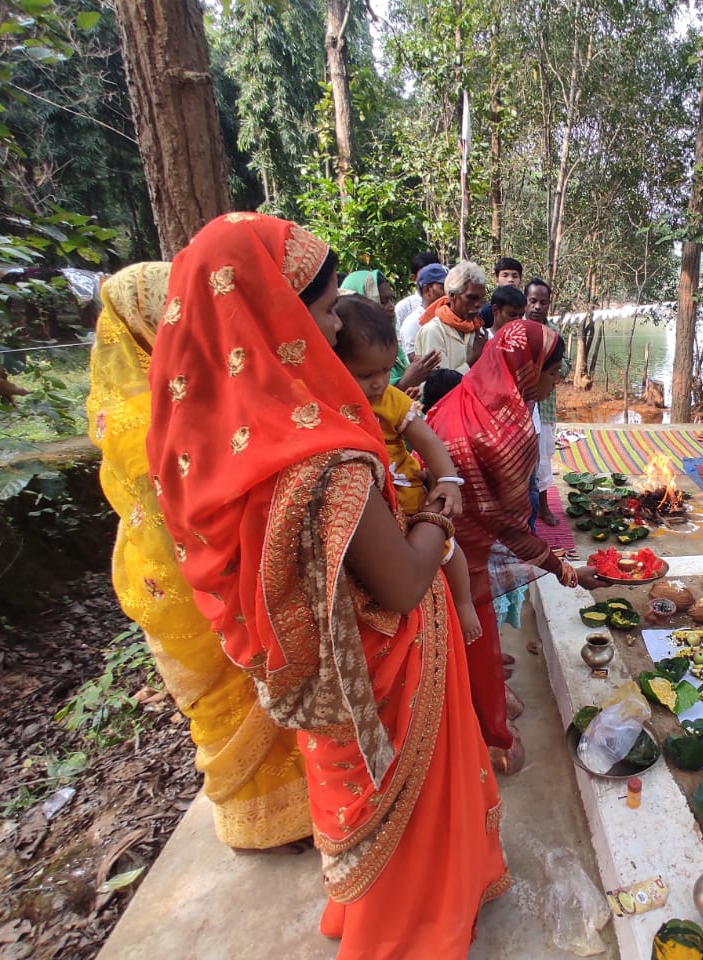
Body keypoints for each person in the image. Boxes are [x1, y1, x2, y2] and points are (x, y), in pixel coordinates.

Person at [145, 213, 507, 958]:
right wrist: (442, 501)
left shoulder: (216, 442)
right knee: (411, 813)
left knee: (350, 791)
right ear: (273, 316)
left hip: (321, 673)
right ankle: (415, 928)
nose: (336, 322)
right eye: (324, 306)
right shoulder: (324, 459)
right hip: (387, 664)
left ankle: (376, 913)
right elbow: (405, 585)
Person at [86, 262, 312, 853]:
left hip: (213, 570)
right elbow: (169, 512)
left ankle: (295, 811)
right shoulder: (139, 420)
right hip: (183, 583)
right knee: (226, 704)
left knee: (262, 698)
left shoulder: (189, 387)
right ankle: (254, 826)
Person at [426, 320, 573, 773]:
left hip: (422, 538)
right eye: (554, 370)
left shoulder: (464, 396)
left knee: (444, 646)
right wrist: (562, 568)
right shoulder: (506, 435)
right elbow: (507, 527)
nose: (559, 380)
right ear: (528, 371)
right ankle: (491, 743)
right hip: (460, 556)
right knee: (474, 639)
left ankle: (466, 718)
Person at [332, 293, 483, 643]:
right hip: (378, 514)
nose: (379, 382)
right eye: (366, 374)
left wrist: (447, 479)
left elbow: (427, 439)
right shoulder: (333, 406)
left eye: (386, 370)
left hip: (411, 496)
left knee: (450, 551)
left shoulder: (389, 399)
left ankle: (464, 604)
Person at [525, 278, 565, 526]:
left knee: (543, 458)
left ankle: (543, 507)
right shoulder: (517, 331)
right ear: (525, 302)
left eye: (543, 302)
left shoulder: (554, 333)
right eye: (533, 301)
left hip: (545, 406)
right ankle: (527, 509)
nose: (538, 307)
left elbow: (565, 365)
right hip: (522, 405)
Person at [414, 260, 488, 374]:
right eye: (471, 298)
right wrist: (473, 359)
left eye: (481, 298)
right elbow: (439, 385)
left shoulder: (479, 330)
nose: (478, 304)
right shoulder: (434, 331)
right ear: (452, 295)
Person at [399, 261, 449, 363]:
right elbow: (422, 367)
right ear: (427, 290)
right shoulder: (413, 324)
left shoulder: (450, 319)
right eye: (443, 287)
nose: (449, 293)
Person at [394, 251, 440, 328]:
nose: (432, 280)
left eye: (436, 275)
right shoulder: (403, 308)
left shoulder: (448, 304)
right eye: (426, 276)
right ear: (414, 278)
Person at [478, 255, 524, 329]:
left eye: (514, 276)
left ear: (520, 280)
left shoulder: (526, 307)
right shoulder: (486, 311)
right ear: (496, 280)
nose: (510, 280)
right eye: (505, 275)